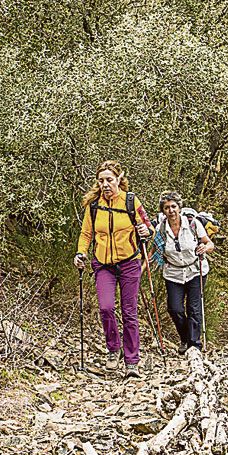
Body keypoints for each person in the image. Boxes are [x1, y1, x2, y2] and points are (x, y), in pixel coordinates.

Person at [73, 161, 153, 378]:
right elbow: (86, 234)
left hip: (129, 262)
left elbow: (148, 226)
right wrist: (81, 252)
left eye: (109, 179)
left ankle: (132, 362)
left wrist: (146, 230)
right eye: (101, 181)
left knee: (129, 312)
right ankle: (113, 349)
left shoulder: (130, 201)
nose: (105, 184)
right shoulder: (93, 205)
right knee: (106, 307)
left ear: (119, 178)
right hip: (103, 264)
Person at [152, 191, 214, 355]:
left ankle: (194, 345)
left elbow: (209, 243)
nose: (171, 210)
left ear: (179, 207)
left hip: (195, 270)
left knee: (194, 308)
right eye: (167, 207)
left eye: (173, 206)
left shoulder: (193, 224)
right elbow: (154, 252)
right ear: (163, 210)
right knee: (174, 308)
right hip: (173, 273)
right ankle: (185, 338)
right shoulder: (161, 229)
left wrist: (204, 248)